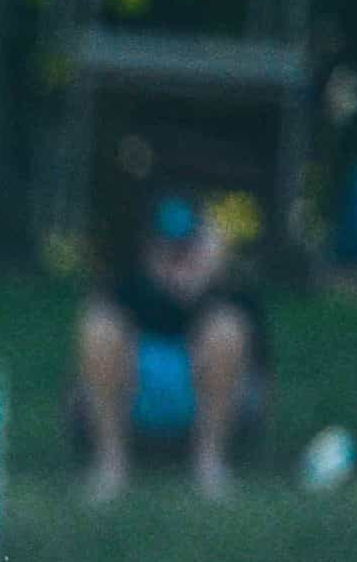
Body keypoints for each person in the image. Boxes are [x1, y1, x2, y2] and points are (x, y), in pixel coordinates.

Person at [76, 196, 270, 503]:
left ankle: (209, 461)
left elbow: (257, 353)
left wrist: (207, 285)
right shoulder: (129, 281)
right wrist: (161, 288)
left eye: (187, 246)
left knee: (227, 330)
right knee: (100, 327)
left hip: (208, 401)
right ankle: (111, 462)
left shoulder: (230, 289)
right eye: (168, 246)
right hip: (138, 400)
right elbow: (100, 320)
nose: (179, 255)